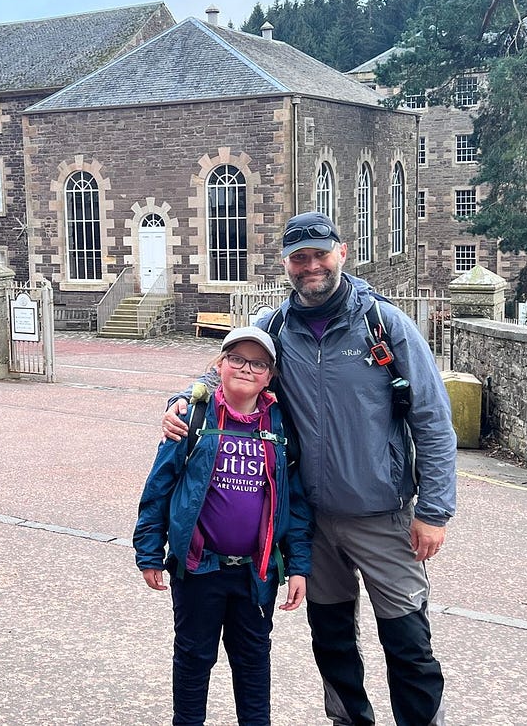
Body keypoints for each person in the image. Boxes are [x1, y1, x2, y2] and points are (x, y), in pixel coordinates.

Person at [162, 212, 457, 726]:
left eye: (321, 254)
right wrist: (181, 403)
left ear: (343, 252)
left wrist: (434, 510)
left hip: (382, 516)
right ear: (286, 264)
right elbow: (225, 371)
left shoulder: (383, 325)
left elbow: (433, 418)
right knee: (333, 643)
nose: (311, 266)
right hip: (313, 522)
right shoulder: (274, 328)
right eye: (300, 258)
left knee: (408, 645)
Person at [135, 325, 313, 726]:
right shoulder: (191, 417)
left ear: (270, 376)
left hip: (256, 572)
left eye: (258, 364)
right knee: (194, 657)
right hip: (199, 568)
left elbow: (296, 502)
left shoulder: (282, 427)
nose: (246, 369)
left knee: (253, 662)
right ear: (220, 365)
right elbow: (159, 486)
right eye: (236, 359)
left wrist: (299, 564)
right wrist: (148, 550)